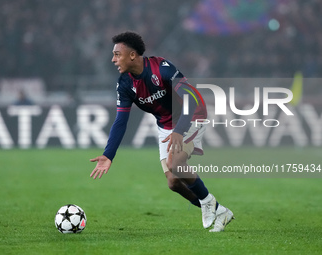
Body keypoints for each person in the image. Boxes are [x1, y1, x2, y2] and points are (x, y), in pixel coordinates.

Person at [90, 31, 234, 232]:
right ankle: (220, 211)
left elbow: (190, 100)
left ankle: (208, 201)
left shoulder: (162, 68)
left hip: (192, 116)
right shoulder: (124, 84)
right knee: (174, 182)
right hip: (166, 124)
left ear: (132, 55)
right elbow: (121, 121)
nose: (113, 59)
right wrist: (108, 155)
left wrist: (180, 130)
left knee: (175, 163)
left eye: (117, 54)